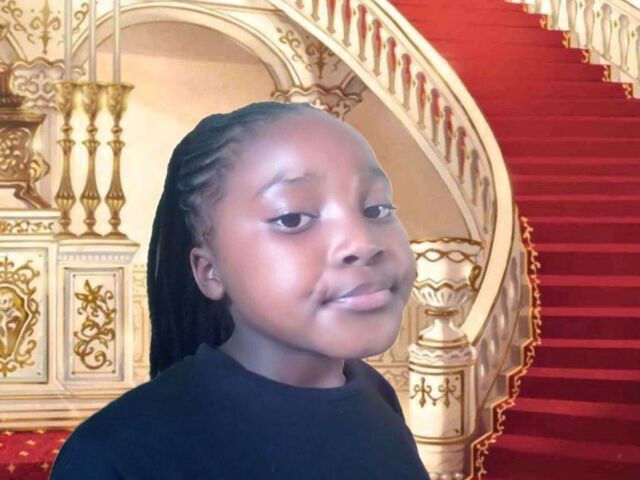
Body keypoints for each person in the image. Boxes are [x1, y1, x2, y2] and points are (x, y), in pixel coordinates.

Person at [49, 101, 431, 479]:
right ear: (209, 271)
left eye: (377, 209)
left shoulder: (375, 395)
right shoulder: (115, 455)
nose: (362, 242)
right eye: (292, 218)